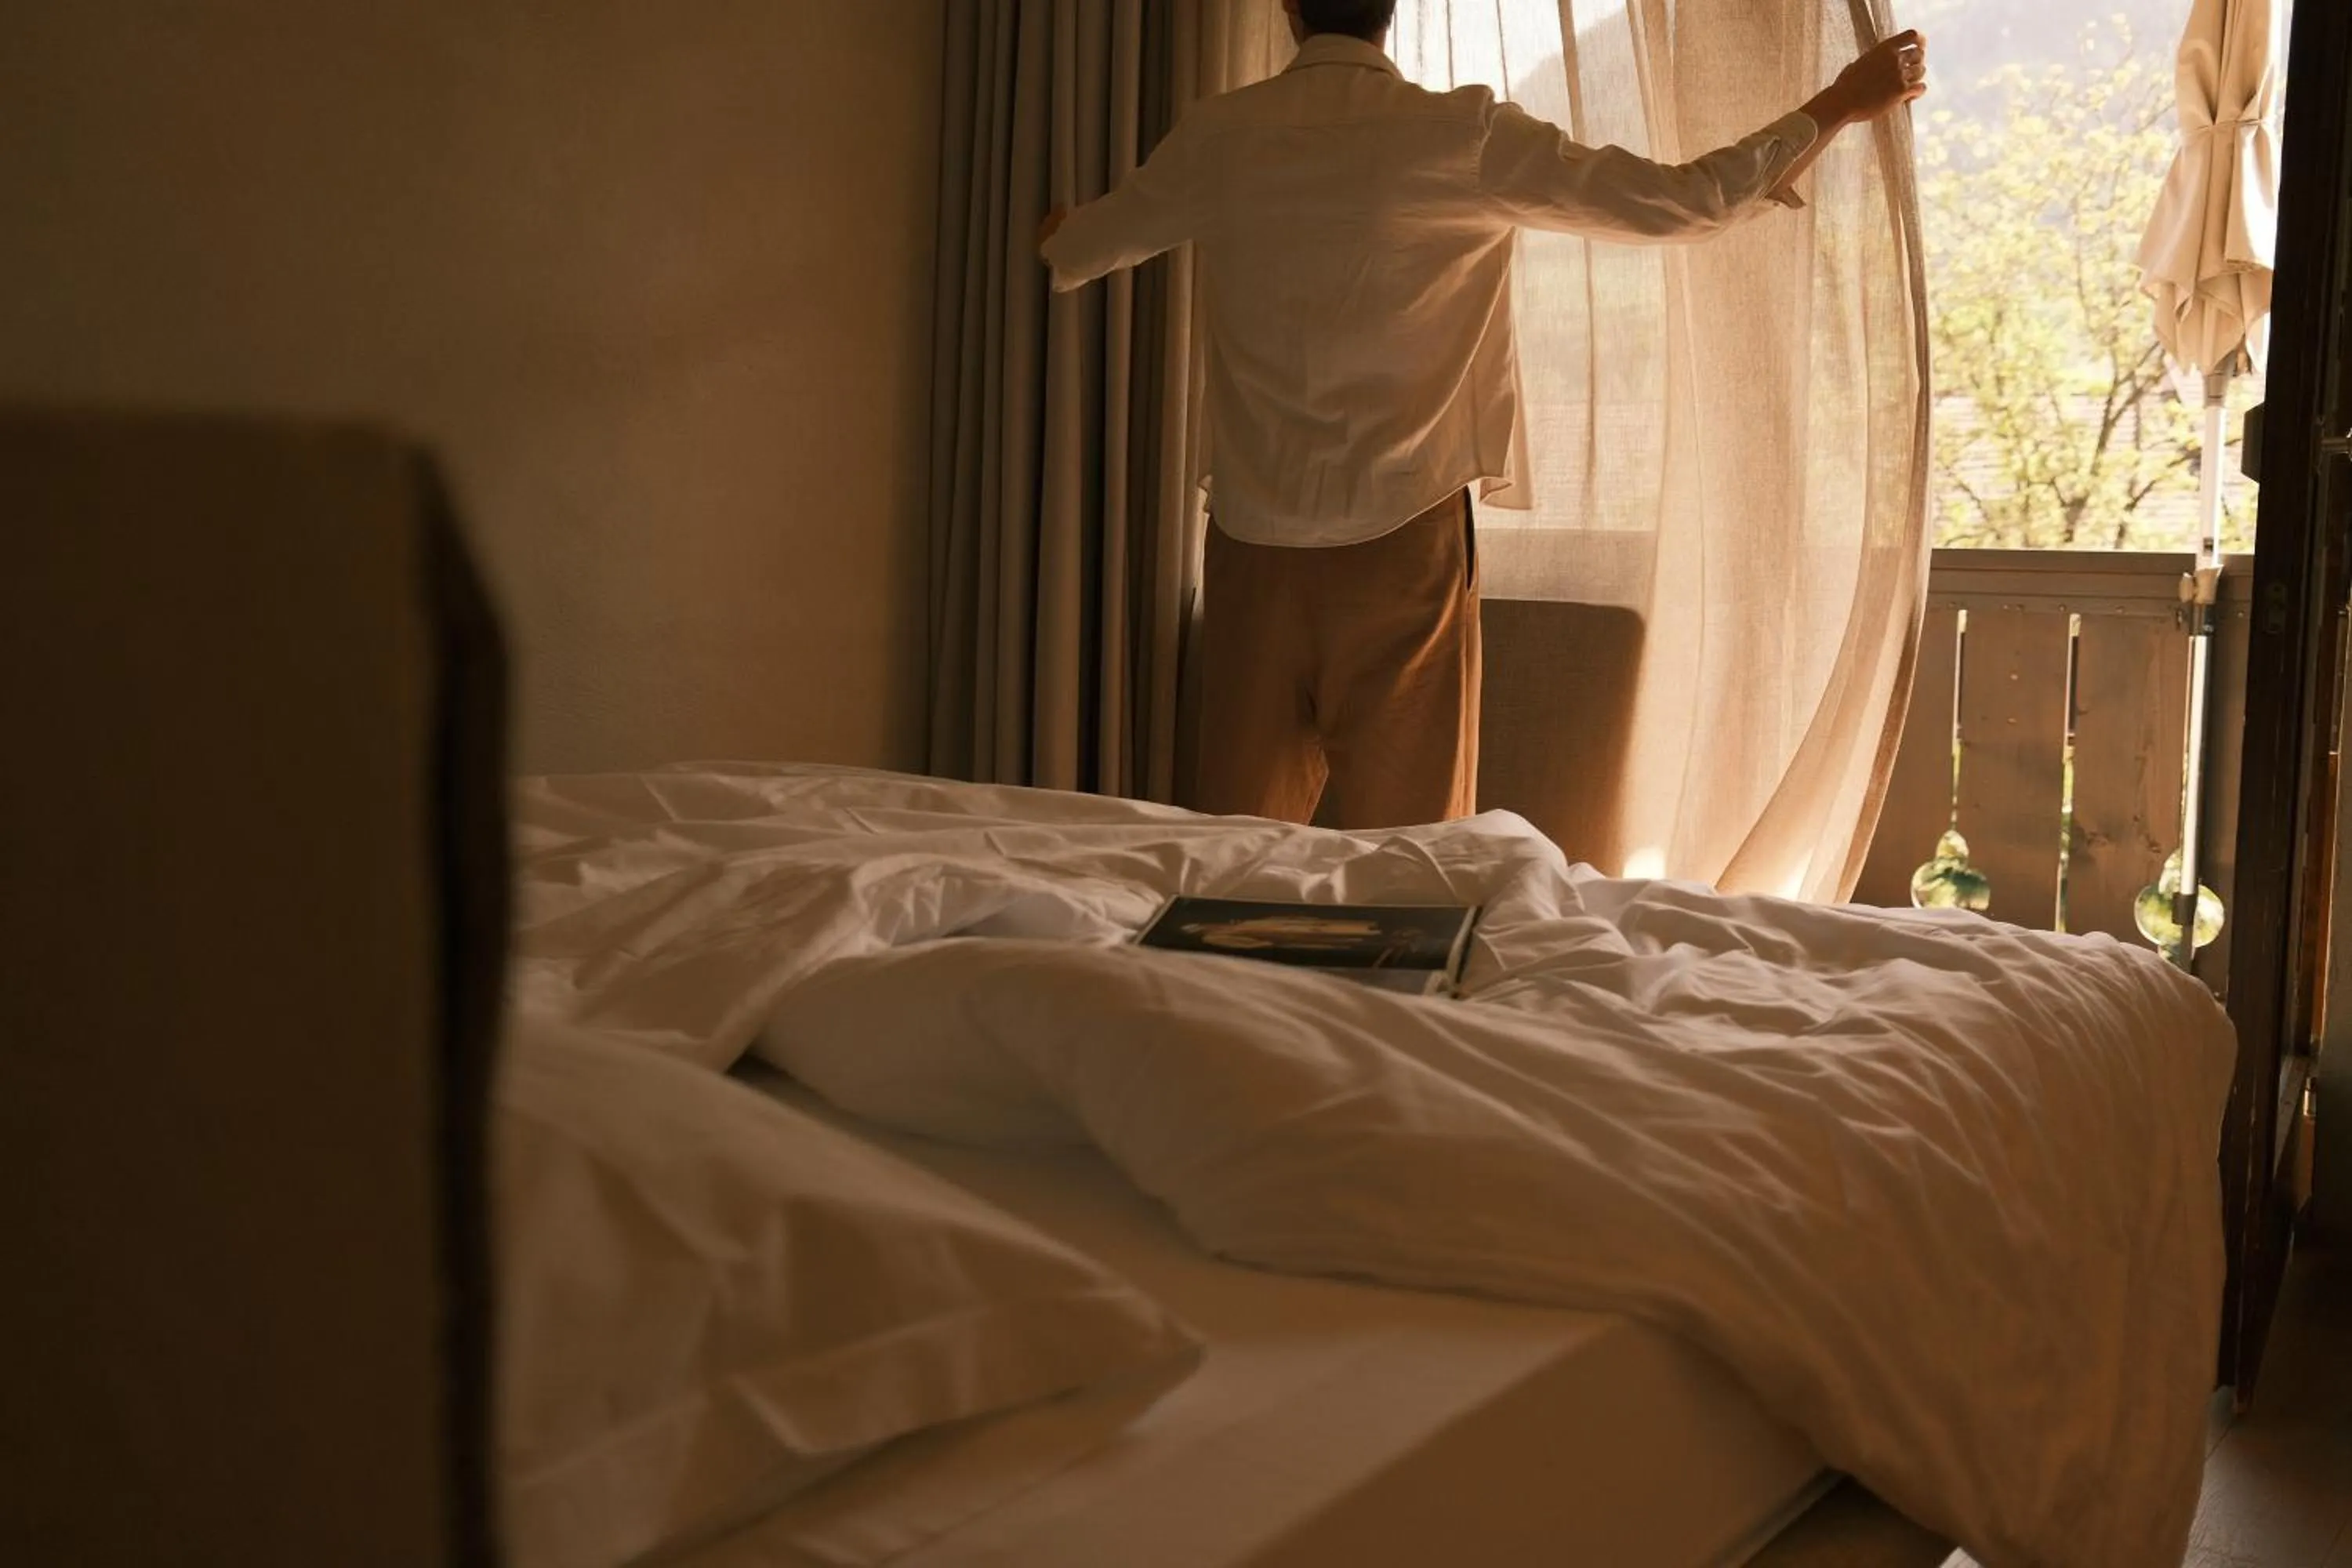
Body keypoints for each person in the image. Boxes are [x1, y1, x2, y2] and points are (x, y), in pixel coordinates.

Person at [1040, 0, 1927, 831]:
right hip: (1405, 542)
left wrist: (1055, 224)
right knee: (1419, 863)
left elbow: (1076, 247)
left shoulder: (1219, 136)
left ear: (1288, 8)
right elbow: (1688, 201)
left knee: (1239, 861)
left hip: (1251, 546)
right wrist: (1840, 103)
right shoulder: (1463, 134)